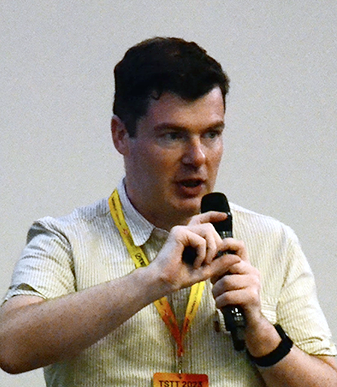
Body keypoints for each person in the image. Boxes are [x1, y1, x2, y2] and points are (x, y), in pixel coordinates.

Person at [0, 37, 336, 387]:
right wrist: (153, 279)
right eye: (173, 136)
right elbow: (10, 346)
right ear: (120, 135)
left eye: (211, 134)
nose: (198, 157)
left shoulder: (272, 241)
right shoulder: (66, 239)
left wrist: (262, 334)